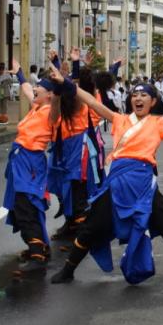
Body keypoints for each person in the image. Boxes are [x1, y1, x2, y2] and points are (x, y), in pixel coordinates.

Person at [50, 81, 163, 287]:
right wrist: (65, 82)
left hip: (143, 185)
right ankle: (67, 271)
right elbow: (91, 101)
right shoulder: (119, 119)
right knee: (90, 228)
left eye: (144, 95)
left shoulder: (159, 123)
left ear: (153, 101)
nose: (138, 99)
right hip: (118, 183)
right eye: (135, 95)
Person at [2, 59, 63, 277]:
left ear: (50, 95)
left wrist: (59, 79)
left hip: (32, 161)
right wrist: (19, 73)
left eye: (41, 87)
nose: (35, 88)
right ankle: (38, 247)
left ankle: (38, 255)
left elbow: (56, 99)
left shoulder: (52, 112)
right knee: (19, 205)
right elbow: (27, 88)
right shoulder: (37, 106)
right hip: (19, 160)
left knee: (26, 204)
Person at [48, 48, 106, 242]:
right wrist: (57, 64)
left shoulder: (85, 104)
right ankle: (71, 222)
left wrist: (75, 64)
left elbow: (73, 86)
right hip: (63, 150)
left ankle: (83, 230)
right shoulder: (59, 108)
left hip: (81, 150)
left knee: (78, 188)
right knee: (64, 189)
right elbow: (63, 87)